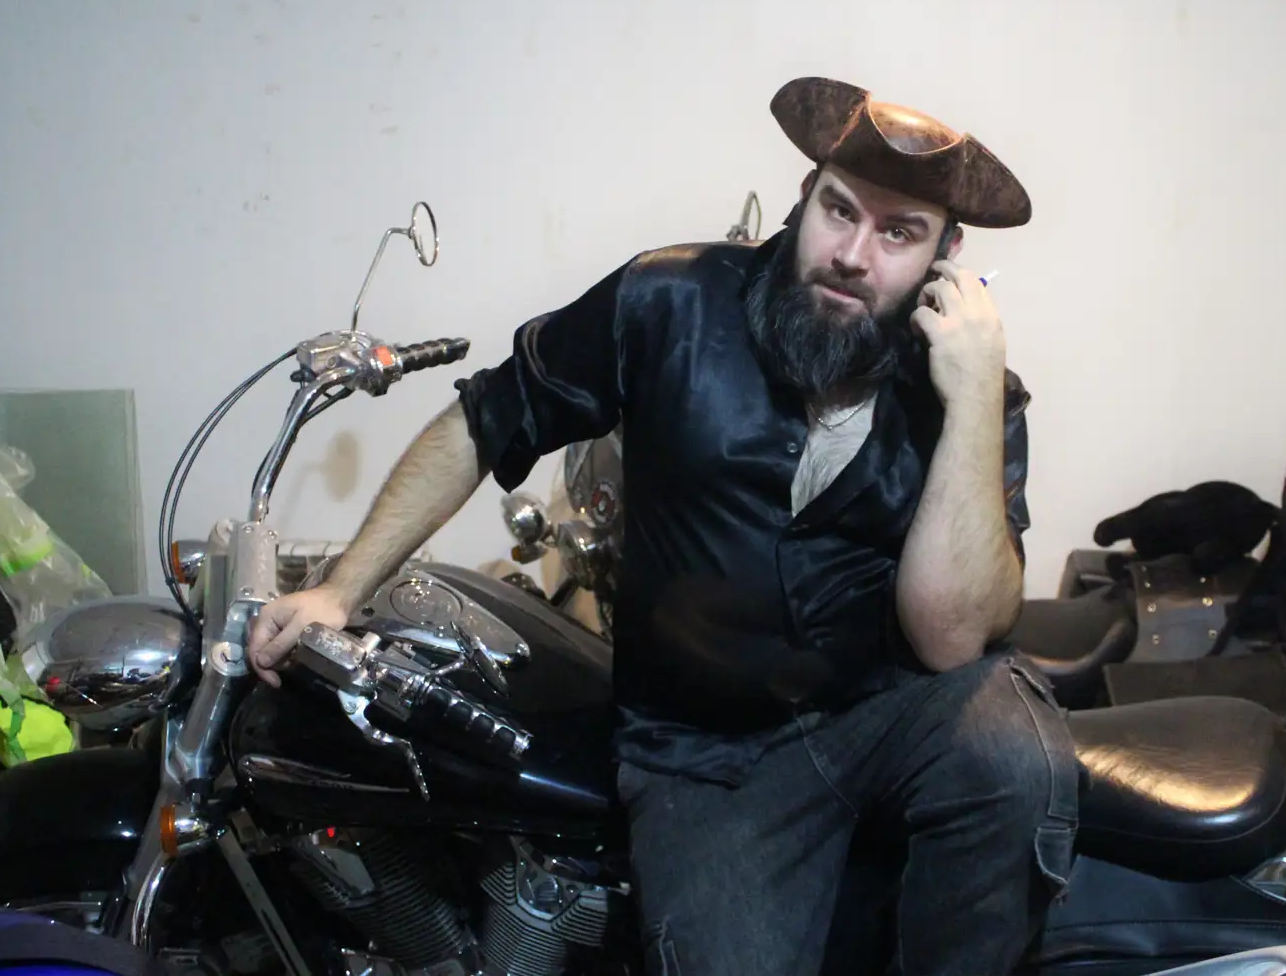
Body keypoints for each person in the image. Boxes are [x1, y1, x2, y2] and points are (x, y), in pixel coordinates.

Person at [247, 76, 1080, 976]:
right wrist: (341, 588)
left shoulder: (972, 388)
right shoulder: (668, 301)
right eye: (840, 210)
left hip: (881, 714)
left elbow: (951, 637)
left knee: (1013, 749)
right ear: (804, 196)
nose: (853, 254)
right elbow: (483, 422)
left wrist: (974, 396)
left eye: (899, 234)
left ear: (946, 259)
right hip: (704, 756)